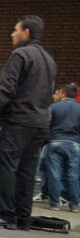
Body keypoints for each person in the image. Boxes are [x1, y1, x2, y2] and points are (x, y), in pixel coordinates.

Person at [0, 16, 57, 230]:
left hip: (19, 120)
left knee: (6, 165)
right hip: (40, 122)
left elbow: (7, 88)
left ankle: (6, 214)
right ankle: (23, 218)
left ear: (26, 33)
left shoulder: (20, 54)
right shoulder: (49, 60)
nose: (12, 34)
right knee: (27, 171)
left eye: (15, 30)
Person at [46, 84, 79, 212]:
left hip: (55, 141)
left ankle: (54, 203)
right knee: (73, 175)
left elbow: (46, 125)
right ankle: (74, 205)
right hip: (75, 144)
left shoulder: (53, 107)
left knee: (54, 174)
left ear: (63, 93)